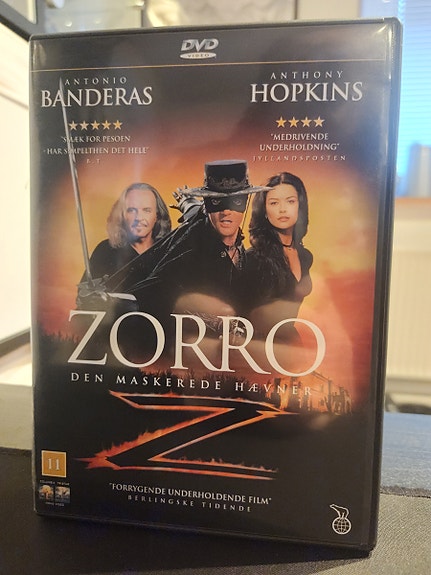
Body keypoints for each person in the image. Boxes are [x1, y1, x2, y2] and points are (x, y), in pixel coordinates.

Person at [245, 171, 313, 343]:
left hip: (291, 344)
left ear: (300, 206)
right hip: (258, 348)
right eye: (274, 203)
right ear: (264, 211)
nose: (283, 209)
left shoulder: (305, 257)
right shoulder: (252, 259)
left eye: (290, 201)